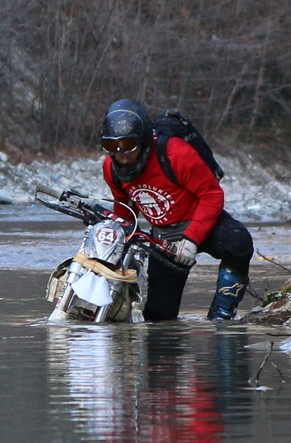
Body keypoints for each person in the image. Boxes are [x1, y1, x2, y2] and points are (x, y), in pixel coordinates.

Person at [100, 98, 254, 321]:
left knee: (238, 242)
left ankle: (222, 315)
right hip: (164, 237)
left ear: (143, 141)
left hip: (201, 223)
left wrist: (191, 239)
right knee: (158, 318)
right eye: (112, 147)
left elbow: (212, 195)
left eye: (128, 145)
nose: (121, 155)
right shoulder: (110, 168)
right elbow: (125, 210)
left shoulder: (175, 153)